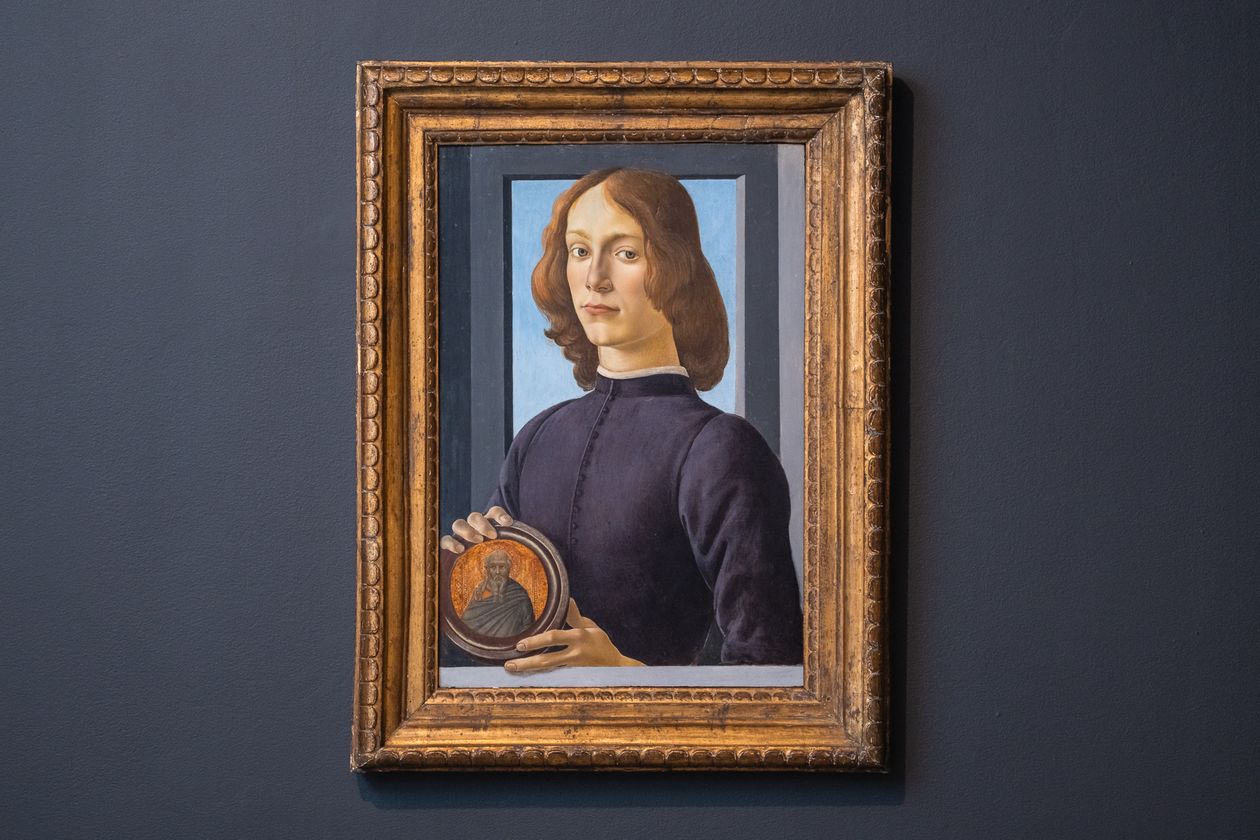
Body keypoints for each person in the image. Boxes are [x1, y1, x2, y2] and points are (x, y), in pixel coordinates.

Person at [440, 167, 802, 672]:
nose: (595, 278)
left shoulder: (721, 446)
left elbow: (771, 668)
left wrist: (623, 674)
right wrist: (467, 570)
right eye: (579, 251)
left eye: (626, 253)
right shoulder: (538, 436)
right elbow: (495, 645)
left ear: (675, 269)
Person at [459, 550, 535, 638]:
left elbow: (529, 627)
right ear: (487, 569)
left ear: (509, 568)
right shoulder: (479, 592)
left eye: (502, 567)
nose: (497, 572)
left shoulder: (520, 594)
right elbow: (467, 622)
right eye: (493, 567)